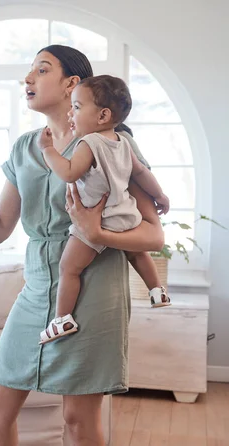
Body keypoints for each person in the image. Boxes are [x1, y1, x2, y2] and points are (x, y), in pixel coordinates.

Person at [0, 44, 164, 446]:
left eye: (41, 70)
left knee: (78, 418)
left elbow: (153, 234)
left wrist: (98, 236)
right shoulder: (26, 147)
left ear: (71, 84)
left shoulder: (112, 142)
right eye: (29, 71)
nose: (28, 79)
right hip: (37, 288)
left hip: (95, 287)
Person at [36, 74, 171, 345]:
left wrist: (48, 150)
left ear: (102, 115)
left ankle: (62, 319)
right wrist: (161, 196)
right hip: (125, 215)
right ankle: (157, 290)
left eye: (76, 107)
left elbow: (69, 172)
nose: (70, 114)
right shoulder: (121, 142)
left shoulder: (90, 143)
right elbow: (141, 172)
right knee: (138, 253)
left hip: (97, 222)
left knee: (69, 269)